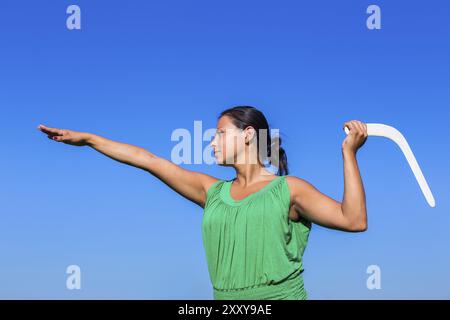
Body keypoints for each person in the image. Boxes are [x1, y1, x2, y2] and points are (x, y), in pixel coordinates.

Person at [37, 105, 368, 300]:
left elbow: (353, 219)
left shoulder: (289, 190)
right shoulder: (212, 193)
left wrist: (348, 153)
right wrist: (90, 139)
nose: (212, 142)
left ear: (249, 135)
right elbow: (149, 160)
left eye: (221, 133)